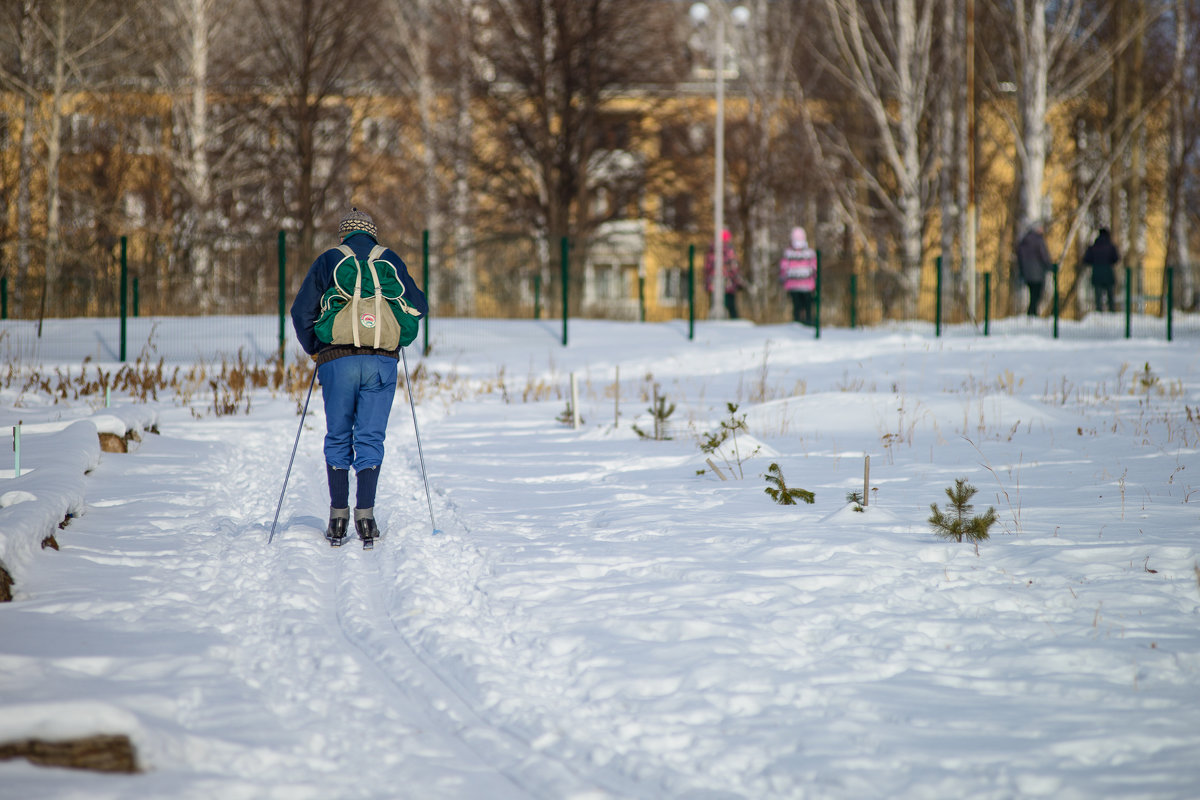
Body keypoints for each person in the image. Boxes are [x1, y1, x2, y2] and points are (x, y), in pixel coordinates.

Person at [290, 207, 428, 546]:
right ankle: (366, 518)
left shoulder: (329, 260)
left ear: (343, 235)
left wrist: (315, 349)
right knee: (370, 437)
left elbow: (300, 310)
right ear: (372, 233)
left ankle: (338, 518)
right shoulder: (389, 259)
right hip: (381, 360)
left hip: (337, 360)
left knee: (338, 435)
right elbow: (418, 304)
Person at [779, 226, 817, 325]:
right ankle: (808, 321)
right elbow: (814, 267)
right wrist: (814, 280)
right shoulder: (809, 253)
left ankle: (797, 322)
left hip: (793, 285)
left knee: (797, 305)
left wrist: (783, 279)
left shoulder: (788, 253)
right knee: (807, 304)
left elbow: (784, 268)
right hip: (807, 285)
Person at [1015, 221, 1054, 317]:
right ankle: (1033, 314)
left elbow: (1019, 256)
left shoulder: (1024, 240)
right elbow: (1044, 256)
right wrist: (1050, 266)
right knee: (1037, 295)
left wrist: (1022, 271)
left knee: (1032, 294)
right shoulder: (1039, 240)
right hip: (1038, 273)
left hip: (1026, 273)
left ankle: (1031, 314)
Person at [704, 229, 745, 319]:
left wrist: (708, 283)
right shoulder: (729, 251)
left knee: (714, 306)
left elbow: (707, 269)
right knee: (731, 307)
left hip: (713, 284)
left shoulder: (711, 251)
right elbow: (734, 268)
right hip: (727, 285)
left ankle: (713, 325)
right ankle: (735, 324)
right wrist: (738, 282)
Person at [1082, 227, 1120, 313]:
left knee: (1098, 296)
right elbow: (1116, 259)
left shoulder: (1094, 246)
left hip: (1097, 273)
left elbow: (1086, 260)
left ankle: (1099, 312)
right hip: (1108, 273)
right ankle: (1112, 312)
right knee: (1110, 295)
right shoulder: (1111, 247)